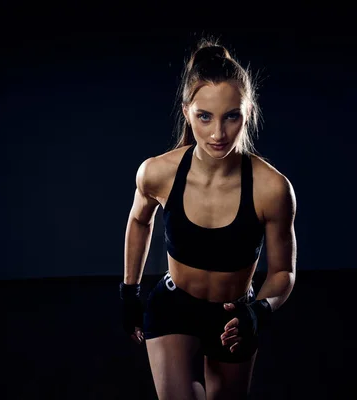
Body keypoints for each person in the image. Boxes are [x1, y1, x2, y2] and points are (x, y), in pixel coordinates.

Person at [120, 38, 297, 400]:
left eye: (231, 116)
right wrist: (128, 290)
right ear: (186, 112)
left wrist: (259, 311)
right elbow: (139, 220)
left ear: (248, 112)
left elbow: (283, 272)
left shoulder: (272, 188)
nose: (218, 134)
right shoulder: (158, 172)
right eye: (205, 116)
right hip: (174, 305)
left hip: (233, 315)